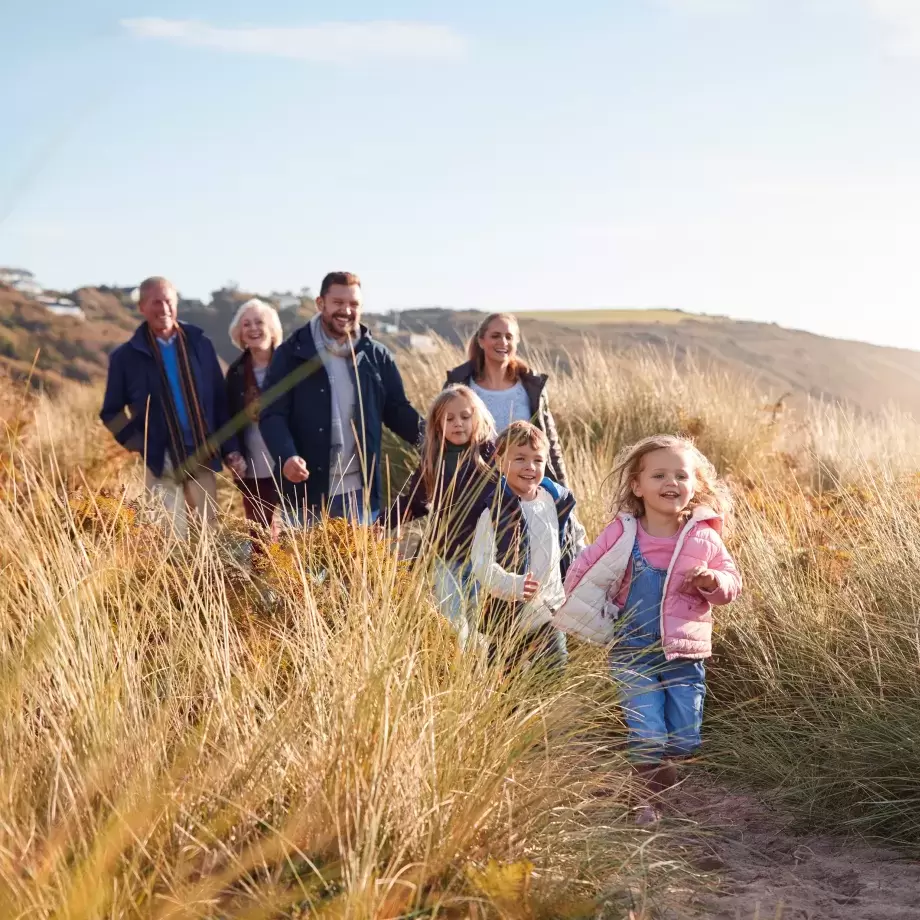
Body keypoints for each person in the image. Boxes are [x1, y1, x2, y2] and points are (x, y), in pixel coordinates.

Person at [556, 435, 741, 825]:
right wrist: (592, 609)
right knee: (649, 733)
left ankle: (659, 791)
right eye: (658, 475)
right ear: (637, 486)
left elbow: (731, 584)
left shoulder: (703, 536)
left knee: (683, 738)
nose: (670, 482)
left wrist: (711, 583)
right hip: (632, 649)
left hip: (684, 654)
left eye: (680, 475)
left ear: (695, 486)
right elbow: (583, 570)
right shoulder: (623, 534)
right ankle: (645, 801)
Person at [259, 271, 423, 524]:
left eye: (354, 304)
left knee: (360, 564)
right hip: (305, 492)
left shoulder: (376, 356)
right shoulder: (291, 354)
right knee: (307, 565)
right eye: (338, 302)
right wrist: (287, 456)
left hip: (361, 494)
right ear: (320, 303)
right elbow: (271, 414)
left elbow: (397, 411)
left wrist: (435, 441)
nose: (346, 310)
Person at [100, 276, 245, 537]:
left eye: (169, 301)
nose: (164, 308)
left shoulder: (200, 344)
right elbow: (110, 411)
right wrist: (139, 443)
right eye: (156, 302)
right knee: (169, 538)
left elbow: (219, 399)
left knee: (206, 535)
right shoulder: (125, 357)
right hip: (160, 459)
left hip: (201, 451)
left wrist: (231, 448)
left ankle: (208, 579)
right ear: (142, 307)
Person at [469, 421, 586, 675]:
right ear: (500, 461)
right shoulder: (495, 512)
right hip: (509, 617)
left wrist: (583, 571)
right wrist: (514, 584)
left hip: (549, 612)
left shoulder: (555, 502)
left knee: (555, 673)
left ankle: (541, 713)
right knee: (504, 681)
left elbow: (575, 539)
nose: (530, 467)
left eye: (537, 460)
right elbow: (481, 563)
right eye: (520, 458)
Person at [385, 384, 496, 648]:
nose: (458, 424)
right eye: (450, 418)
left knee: (484, 627)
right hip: (447, 557)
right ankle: (460, 674)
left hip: (486, 557)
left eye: (465, 417)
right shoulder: (434, 459)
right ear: (438, 424)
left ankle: (486, 679)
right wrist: (382, 524)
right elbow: (413, 502)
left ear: (477, 417)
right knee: (454, 626)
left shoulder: (492, 454)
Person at [444, 313, 569, 486]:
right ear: (481, 341)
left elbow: (550, 443)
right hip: (473, 488)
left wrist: (563, 493)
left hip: (524, 487)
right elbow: (439, 438)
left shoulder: (532, 385)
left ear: (516, 342)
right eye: (495, 336)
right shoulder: (460, 385)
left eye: (509, 337)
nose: (503, 342)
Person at [225, 298, 284, 537]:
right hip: (253, 465)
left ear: (271, 328)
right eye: (246, 324)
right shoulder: (236, 372)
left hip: (292, 460)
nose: (253, 329)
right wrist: (232, 453)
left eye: (259, 322)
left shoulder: (289, 365)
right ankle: (263, 575)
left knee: (300, 531)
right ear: (240, 334)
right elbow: (227, 417)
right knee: (260, 533)